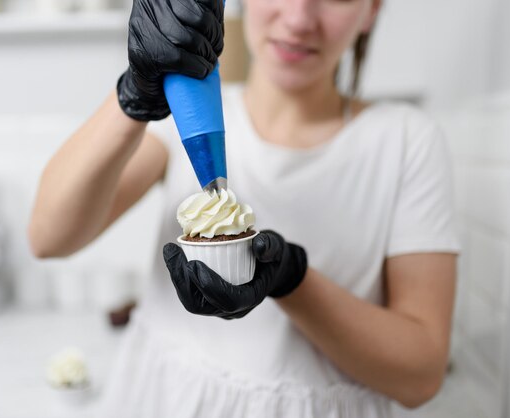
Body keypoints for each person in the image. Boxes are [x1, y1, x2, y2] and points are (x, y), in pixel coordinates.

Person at [28, 0, 460, 416]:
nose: (298, 17)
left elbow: (419, 378)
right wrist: (133, 96)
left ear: (371, 9)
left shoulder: (407, 142)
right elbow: (48, 237)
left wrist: (291, 279)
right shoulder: (186, 117)